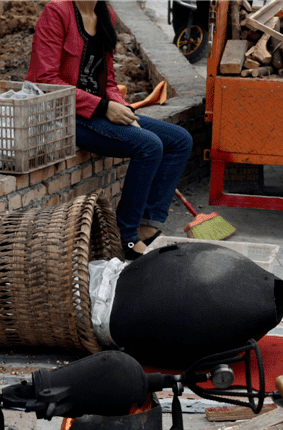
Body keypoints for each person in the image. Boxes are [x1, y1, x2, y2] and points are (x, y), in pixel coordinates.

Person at [27, 0, 192, 260]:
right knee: (149, 145)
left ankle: (146, 226)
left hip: (99, 110)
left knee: (179, 140)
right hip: (64, 115)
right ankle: (125, 237)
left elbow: (109, 80)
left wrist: (123, 108)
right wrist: (103, 107)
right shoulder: (57, 13)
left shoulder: (106, 14)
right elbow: (44, 80)